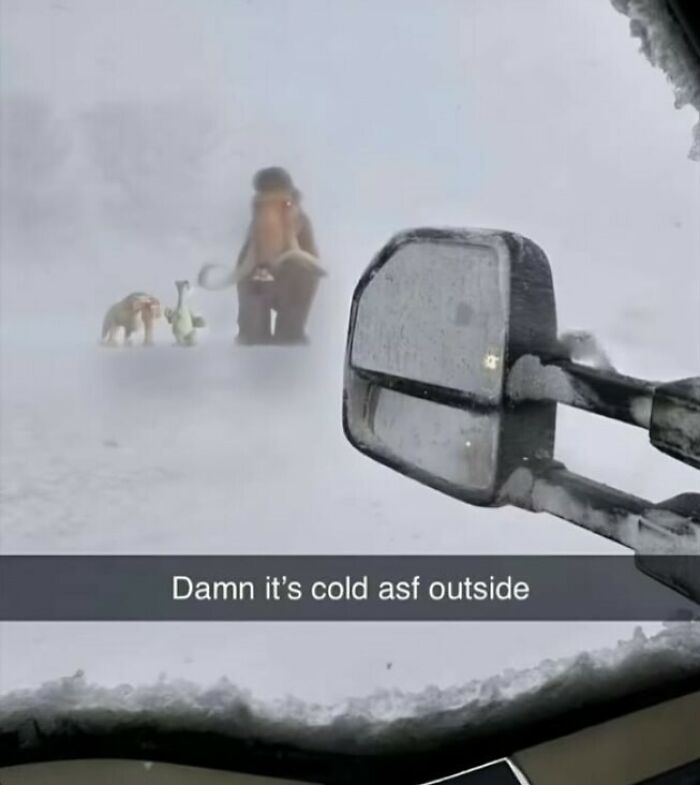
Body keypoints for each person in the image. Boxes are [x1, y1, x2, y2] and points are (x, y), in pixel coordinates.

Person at [235, 167, 322, 345]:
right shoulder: (257, 226)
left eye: (281, 204)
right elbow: (243, 270)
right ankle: (255, 336)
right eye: (262, 205)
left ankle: (290, 333)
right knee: (253, 333)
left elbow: (310, 263)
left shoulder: (300, 223)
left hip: (292, 277)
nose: (270, 214)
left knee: (305, 275)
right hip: (261, 274)